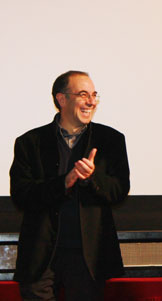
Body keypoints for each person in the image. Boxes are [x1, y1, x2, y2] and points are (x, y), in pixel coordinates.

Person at [10, 71, 130, 300]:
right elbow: (21, 195)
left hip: (88, 259)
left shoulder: (111, 140)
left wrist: (90, 179)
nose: (91, 102)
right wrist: (64, 182)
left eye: (94, 95)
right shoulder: (30, 142)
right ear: (61, 99)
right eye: (83, 94)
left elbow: (119, 190)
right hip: (40, 256)